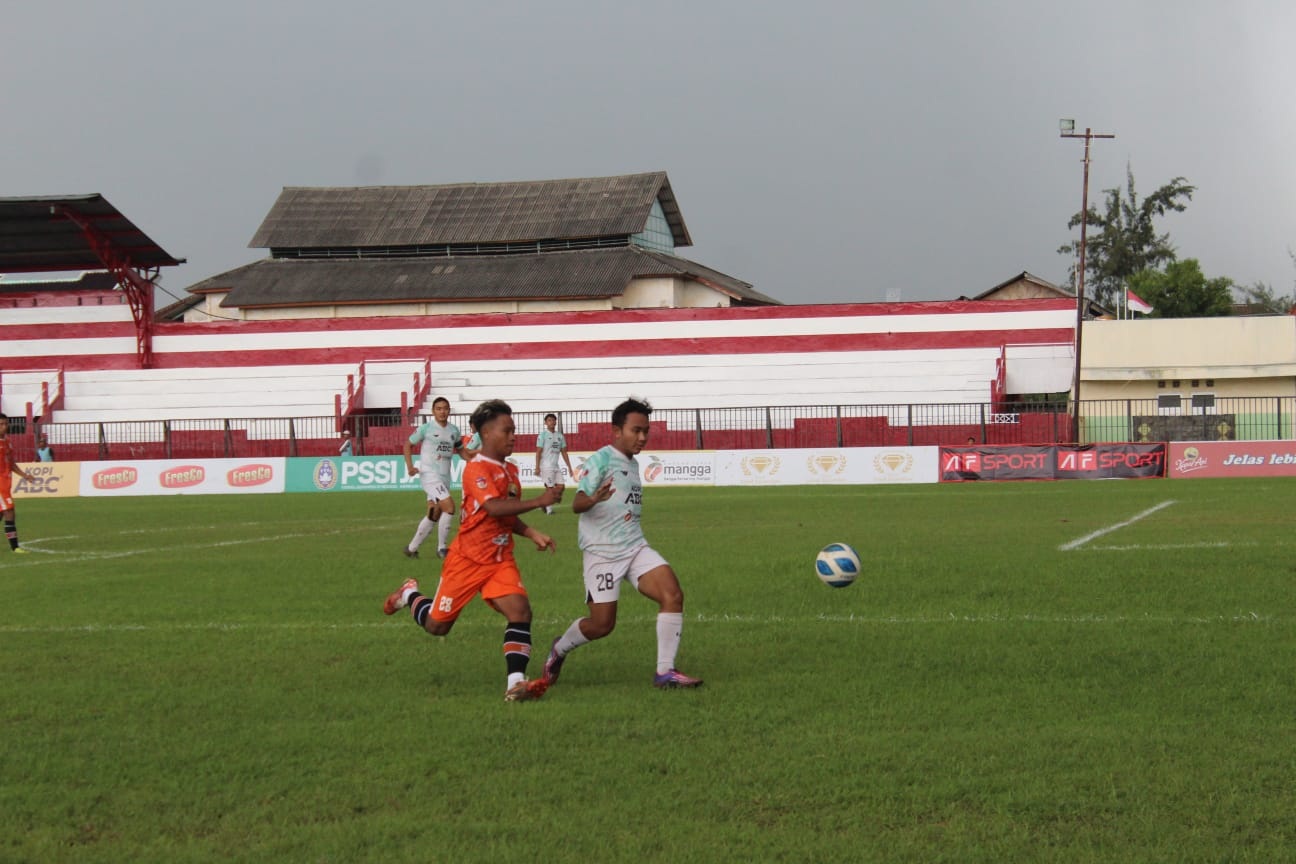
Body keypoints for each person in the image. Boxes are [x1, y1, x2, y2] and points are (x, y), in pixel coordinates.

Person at [383, 399, 563, 702]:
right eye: (506, 431)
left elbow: (506, 514)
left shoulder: (511, 472)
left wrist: (531, 532)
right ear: (486, 433)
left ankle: (515, 684)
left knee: (520, 612)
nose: (512, 436)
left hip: (499, 560)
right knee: (437, 627)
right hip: (466, 560)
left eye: (513, 430)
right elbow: (493, 507)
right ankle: (409, 595)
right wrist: (540, 501)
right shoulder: (475, 469)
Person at [543, 397, 702, 690]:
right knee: (602, 625)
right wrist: (593, 499)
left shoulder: (634, 463)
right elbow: (578, 503)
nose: (642, 437)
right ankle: (559, 649)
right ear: (617, 430)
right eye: (636, 430)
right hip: (602, 553)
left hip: (634, 546)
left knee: (673, 594)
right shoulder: (601, 459)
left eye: (646, 431)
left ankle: (665, 672)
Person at [402, 397, 462, 559]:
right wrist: (410, 466)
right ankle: (442, 549)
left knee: (435, 512)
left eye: (445, 408)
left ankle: (411, 548)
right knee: (449, 507)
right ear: (433, 411)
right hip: (429, 474)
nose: (442, 411)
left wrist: (478, 456)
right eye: (439, 408)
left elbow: (462, 452)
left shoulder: (454, 431)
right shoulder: (426, 428)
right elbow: (407, 445)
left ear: (449, 410)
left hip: (445, 476)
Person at [0, 414, 37, 554]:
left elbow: (11, 463)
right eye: (1, 424)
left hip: (5, 482)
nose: (4, 427)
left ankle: (15, 547)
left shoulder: (7, 441)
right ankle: (15, 547)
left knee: (2, 514)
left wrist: (25, 475)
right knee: (9, 511)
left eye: (5, 424)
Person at [534, 413, 574, 515]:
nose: (552, 422)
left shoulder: (560, 436)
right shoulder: (542, 435)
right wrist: (537, 467)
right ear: (545, 423)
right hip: (546, 466)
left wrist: (569, 467)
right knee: (550, 488)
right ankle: (549, 510)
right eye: (549, 420)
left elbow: (564, 452)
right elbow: (538, 451)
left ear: (556, 422)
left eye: (553, 420)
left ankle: (542, 503)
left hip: (556, 466)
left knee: (561, 487)